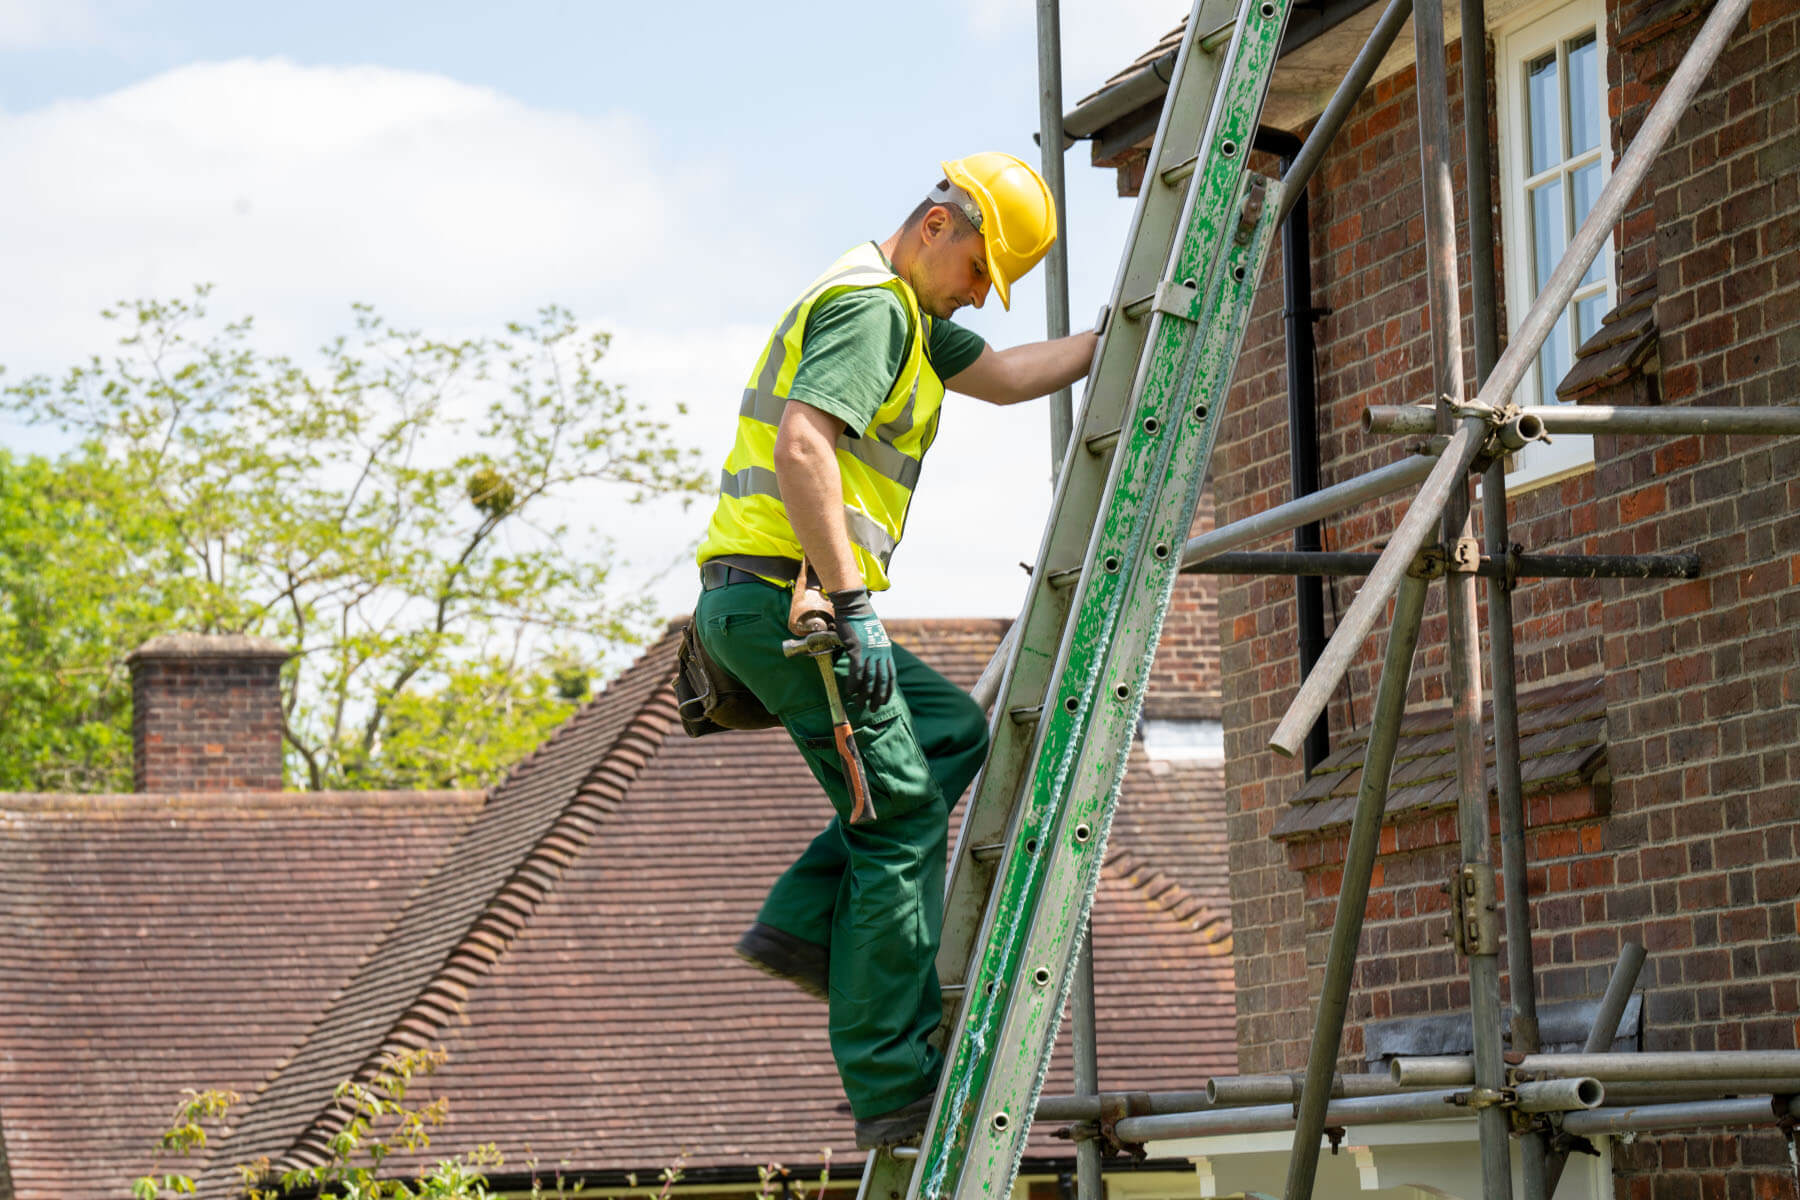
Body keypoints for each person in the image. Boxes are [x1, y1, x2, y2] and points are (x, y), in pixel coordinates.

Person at [690, 151, 1098, 1149]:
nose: (976, 297)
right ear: (935, 227)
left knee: (953, 731)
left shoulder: (915, 321)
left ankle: (804, 924)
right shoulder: (875, 307)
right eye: (976, 274)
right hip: (795, 605)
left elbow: (1002, 377)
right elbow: (802, 445)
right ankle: (890, 1086)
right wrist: (852, 603)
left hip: (768, 605)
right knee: (899, 815)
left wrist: (1117, 337)